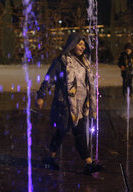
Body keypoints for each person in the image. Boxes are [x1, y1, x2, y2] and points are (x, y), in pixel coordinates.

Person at [36, 32, 102, 175]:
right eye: (79, 43)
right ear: (72, 44)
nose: (82, 47)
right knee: (62, 131)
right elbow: (49, 79)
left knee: (77, 133)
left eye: (84, 44)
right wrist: (41, 95)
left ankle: (87, 163)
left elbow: (89, 85)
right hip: (65, 105)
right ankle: (54, 158)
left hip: (80, 107)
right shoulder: (62, 61)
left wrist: (92, 106)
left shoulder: (85, 63)